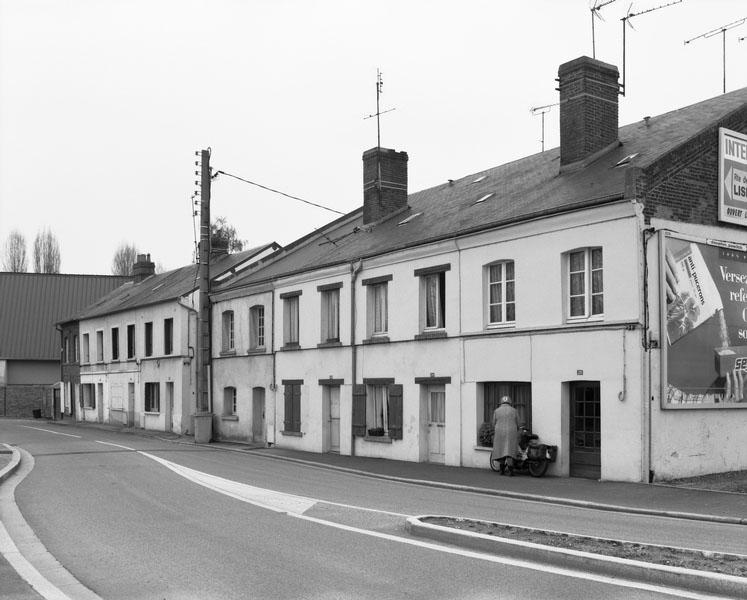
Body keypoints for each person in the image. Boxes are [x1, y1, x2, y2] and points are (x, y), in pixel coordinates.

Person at [491, 395, 519, 475]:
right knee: (509, 451)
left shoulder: (496, 411)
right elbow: (518, 423)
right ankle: (511, 471)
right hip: (511, 433)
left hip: (499, 432)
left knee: (501, 450)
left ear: (501, 402)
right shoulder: (514, 410)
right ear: (510, 402)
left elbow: (493, 423)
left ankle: (502, 470)